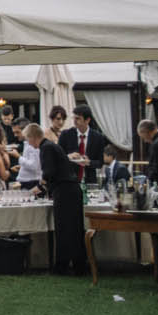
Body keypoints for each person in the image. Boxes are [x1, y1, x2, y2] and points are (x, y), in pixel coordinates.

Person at [42, 111, 93, 276]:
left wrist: (90, 162)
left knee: (74, 227)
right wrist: (68, 157)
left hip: (76, 184)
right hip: (69, 182)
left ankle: (77, 264)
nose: (74, 121)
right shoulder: (65, 135)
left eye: (78, 118)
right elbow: (61, 158)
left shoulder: (97, 137)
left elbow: (99, 159)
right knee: (69, 227)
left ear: (87, 119)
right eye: (74, 118)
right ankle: (72, 264)